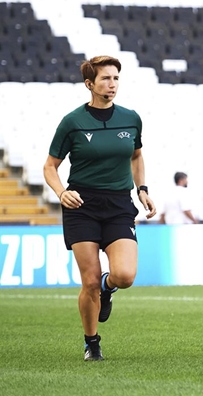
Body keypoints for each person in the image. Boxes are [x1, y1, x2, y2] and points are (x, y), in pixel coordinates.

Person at [43, 55, 156, 361]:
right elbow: (50, 166)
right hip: (82, 205)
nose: (112, 84)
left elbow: (136, 156)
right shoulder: (72, 122)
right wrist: (61, 192)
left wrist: (142, 189)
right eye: (105, 78)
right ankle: (92, 342)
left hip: (119, 203)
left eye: (116, 78)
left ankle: (109, 288)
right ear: (89, 84)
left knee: (124, 276)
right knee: (89, 279)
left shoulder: (131, 118)